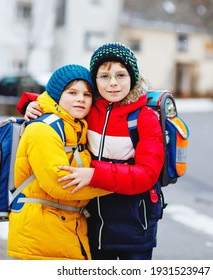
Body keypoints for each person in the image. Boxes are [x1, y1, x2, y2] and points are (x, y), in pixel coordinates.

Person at [19, 42, 165, 260]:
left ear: (132, 78)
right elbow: (59, 99)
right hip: (92, 222)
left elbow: (147, 175)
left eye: (120, 75)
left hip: (135, 225)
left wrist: (95, 174)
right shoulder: (91, 108)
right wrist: (29, 105)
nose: (113, 83)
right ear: (95, 80)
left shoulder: (144, 118)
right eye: (104, 76)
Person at [7, 64, 111, 260]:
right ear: (57, 95)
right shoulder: (43, 130)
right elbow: (59, 184)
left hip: (65, 230)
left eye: (87, 95)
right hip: (41, 236)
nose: (81, 98)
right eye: (72, 92)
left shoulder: (76, 128)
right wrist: (116, 182)